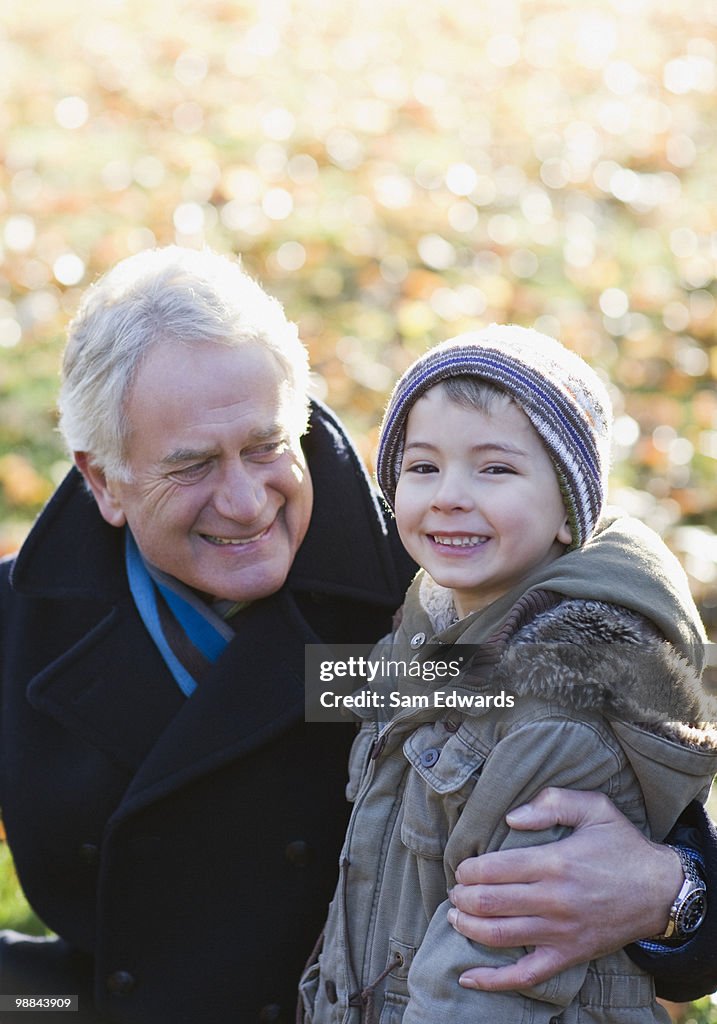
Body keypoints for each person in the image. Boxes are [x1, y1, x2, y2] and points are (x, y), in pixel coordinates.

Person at [0, 248, 714, 1024]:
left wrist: (665, 892)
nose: (244, 502)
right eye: (194, 466)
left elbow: (632, 798)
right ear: (103, 480)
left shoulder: (438, 589)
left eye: (267, 445)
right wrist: (52, 1005)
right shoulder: (20, 626)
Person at [299, 326, 717, 1023]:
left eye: (494, 469)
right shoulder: (430, 622)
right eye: (423, 467)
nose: (449, 496)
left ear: (567, 514)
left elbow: (490, 975)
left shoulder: (557, 704)